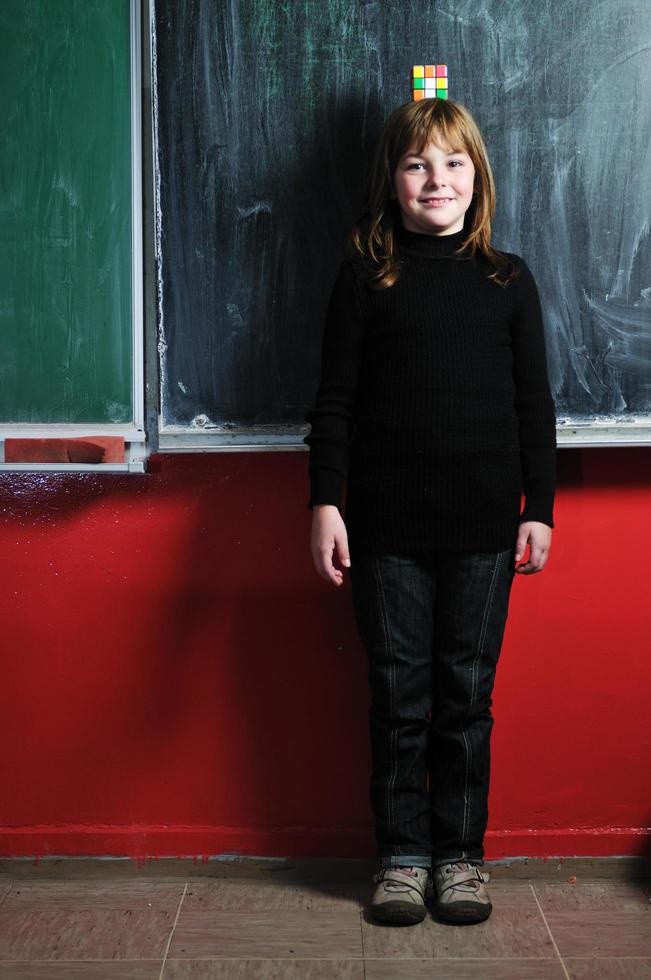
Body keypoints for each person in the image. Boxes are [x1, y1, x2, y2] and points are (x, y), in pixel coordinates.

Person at [303, 98, 557, 927]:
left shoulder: (507, 280)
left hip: (484, 525)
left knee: (465, 698)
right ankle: (403, 857)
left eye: (452, 163)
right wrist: (326, 504)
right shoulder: (364, 276)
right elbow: (333, 403)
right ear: (392, 180)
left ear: (476, 177)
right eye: (416, 164)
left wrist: (539, 509)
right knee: (397, 695)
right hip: (384, 529)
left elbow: (534, 407)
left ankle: (460, 858)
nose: (435, 179)